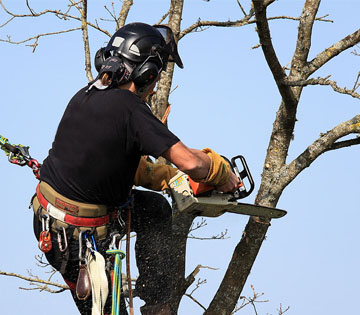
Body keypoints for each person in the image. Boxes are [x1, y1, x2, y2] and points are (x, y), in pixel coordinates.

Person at [31, 22, 239, 315]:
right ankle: (155, 306)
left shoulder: (85, 95)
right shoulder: (132, 110)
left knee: (154, 209)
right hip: (76, 235)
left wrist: (167, 177)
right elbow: (191, 161)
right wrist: (220, 171)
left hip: (52, 220)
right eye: (156, 75)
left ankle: (156, 304)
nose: (154, 85)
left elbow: (110, 157)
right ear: (147, 72)